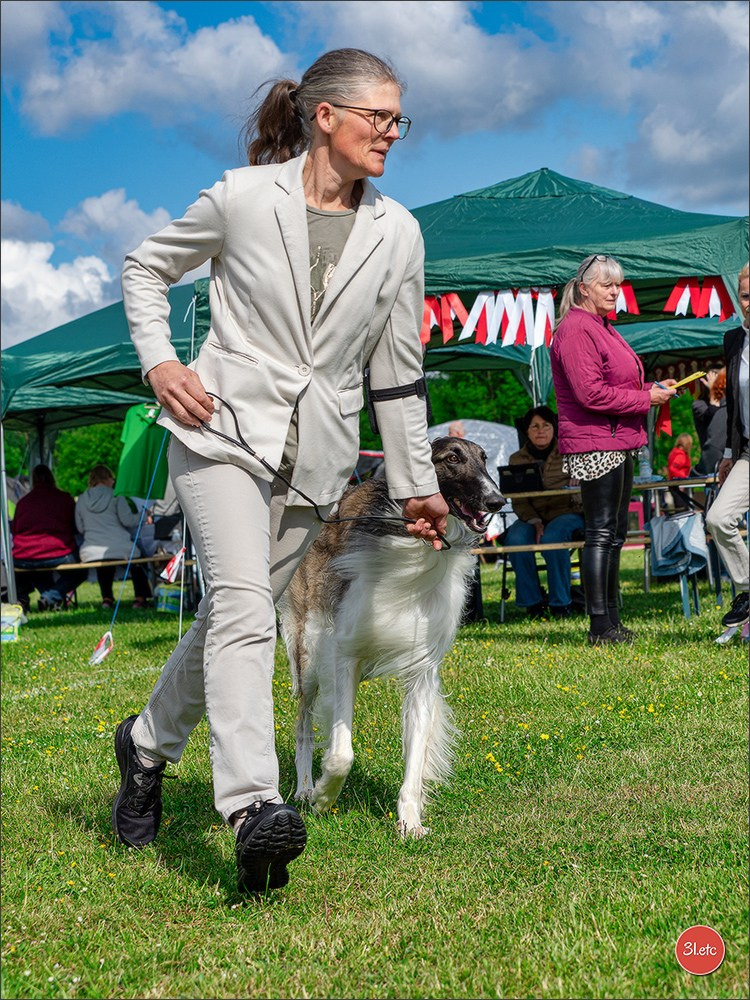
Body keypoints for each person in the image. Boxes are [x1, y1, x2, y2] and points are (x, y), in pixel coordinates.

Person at [114, 48, 448, 895]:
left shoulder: (398, 232)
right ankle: (253, 807)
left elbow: (397, 371)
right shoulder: (239, 197)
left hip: (318, 461)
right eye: (379, 116)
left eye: (398, 119)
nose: (392, 133)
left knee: (238, 614)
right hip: (217, 428)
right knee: (239, 609)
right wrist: (160, 363)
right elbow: (145, 267)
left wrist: (416, 485)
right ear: (325, 115)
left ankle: (147, 744)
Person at [550, 254, 676, 646]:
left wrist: (650, 392)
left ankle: (613, 620)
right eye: (607, 285)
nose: (615, 292)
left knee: (615, 533)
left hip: (617, 440)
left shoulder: (602, 326)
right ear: (584, 288)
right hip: (595, 442)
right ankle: (599, 626)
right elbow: (590, 393)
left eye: (618, 285)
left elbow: (615, 383)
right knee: (601, 533)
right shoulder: (575, 329)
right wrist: (645, 399)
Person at [504, 406, 584, 618]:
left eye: (546, 425)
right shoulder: (516, 459)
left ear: (554, 428)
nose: (540, 431)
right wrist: (534, 520)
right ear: (527, 431)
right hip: (531, 514)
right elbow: (518, 500)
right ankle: (533, 603)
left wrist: (578, 483)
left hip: (567, 512)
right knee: (516, 539)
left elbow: (586, 490)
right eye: (535, 426)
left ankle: (561, 604)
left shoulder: (571, 452)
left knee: (554, 537)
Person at [705, 263, 750, 629]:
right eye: (746, 295)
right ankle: (748, 589)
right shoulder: (734, 340)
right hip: (747, 452)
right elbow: (734, 404)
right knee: (718, 519)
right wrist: (728, 455)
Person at [75, 465, 153, 609]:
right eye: (112, 479)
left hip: (91, 550)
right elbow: (127, 520)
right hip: (120, 547)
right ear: (107, 478)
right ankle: (140, 598)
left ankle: (107, 599)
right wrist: (144, 516)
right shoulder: (116, 495)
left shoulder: (81, 499)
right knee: (138, 562)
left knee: (103, 564)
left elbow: (80, 528)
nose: (113, 482)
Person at [11, 465, 87, 613]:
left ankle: (49, 598)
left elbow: (15, 529)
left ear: (33, 480)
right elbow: (75, 526)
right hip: (59, 552)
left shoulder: (23, 502)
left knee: (36, 571)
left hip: (24, 555)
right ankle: (50, 597)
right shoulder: (64, 498)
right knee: (81, 571)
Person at [692, 368, 727, 476]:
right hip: (712, 461)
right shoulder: (698, 405)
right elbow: (713, 416)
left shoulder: (727, 404)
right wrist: (713, 392)